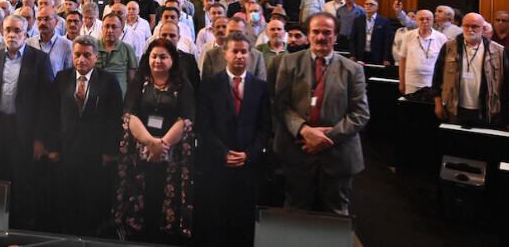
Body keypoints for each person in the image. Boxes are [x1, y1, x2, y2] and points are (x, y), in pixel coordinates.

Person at [274, 12, 369, 215]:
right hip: (297, 153)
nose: (320, 37)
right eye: (315, 32)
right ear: (308, 35)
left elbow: (360, 114)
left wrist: (324, 138)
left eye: (327, 32)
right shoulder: (289, 63)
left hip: (338, 155)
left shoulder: (353, 70)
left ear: (336, 36)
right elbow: (280, 105)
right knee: (295, 213)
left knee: (335, 216)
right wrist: (304, 130)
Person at [0, 14, 53, 229]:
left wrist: (40, 139)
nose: (12, 34)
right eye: (8, 29)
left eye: (17, 30)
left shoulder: (39, 59)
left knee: (23, 181)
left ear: (25, 34)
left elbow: (47, 104)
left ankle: (22, 230)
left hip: (25, 132)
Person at [115, 38, 194, 243]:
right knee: (143, 198)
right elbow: (129, 115)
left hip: (172, 153)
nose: (158, 60)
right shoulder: (139, 82)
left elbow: (186, 119)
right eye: (154, 56)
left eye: (163, 57)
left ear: (172, 60)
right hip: (141, 151)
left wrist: (162, 145)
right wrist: (151, 142)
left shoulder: (182, 84)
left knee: (163, 198)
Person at [197, 31, 271, 246]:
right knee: (216, 220)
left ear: (250, 55)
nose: (239, 56)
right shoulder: (209, 85)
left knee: (243, 222)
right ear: (225, 54)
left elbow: (265, 127)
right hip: (217, 164)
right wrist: (223, 152)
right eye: (235, 51)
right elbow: (204, 126)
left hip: (248, 166)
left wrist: (248, 154)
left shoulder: (260, 87)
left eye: (244, 52)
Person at [46, 35, 123, 236]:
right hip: (66, 150)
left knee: (92, 199)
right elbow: (52, 115)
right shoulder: (62, 78)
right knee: (66, 198)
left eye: (87, 55)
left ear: (96, 56)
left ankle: (89, 236)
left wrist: (109, 151)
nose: (81, 59)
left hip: (95, 152)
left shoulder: (108, 81)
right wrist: (52, 147)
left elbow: (115, 119)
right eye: (77, 54)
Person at [432, 13, 509, 126]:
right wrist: (438, 103)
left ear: (483, 28)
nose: (470, 29)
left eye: (474, 26)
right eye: (466, 26)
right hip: (454, 108)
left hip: (486, 110)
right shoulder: (449, 47)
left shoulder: (498, 51)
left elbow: (507, 84)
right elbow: (437, 77)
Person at [98, 12, 138, 94]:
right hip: (95, 97)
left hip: (119, 97)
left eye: (114, 27)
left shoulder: (127, 49)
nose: (110, 30)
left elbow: (132, 79)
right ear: (102, 28)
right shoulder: (92, 47)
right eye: (107, 26)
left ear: (121, 30)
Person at [28, 6, 72, 79]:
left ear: (56, 22)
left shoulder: (67, 45)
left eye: (47, 19)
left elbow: (69, 73)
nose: (42, 23)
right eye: (39, 19)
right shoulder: (29, 43)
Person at [351, 0, 394, 65]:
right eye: (366, 4)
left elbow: (387, 42)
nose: (368, 6)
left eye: (371, 4)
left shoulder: (384, 21)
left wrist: (386, 58)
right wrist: (353, 54)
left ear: (377, 7)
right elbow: (352, 38)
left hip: (378, 56)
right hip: (361, 55)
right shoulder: (358, 20)